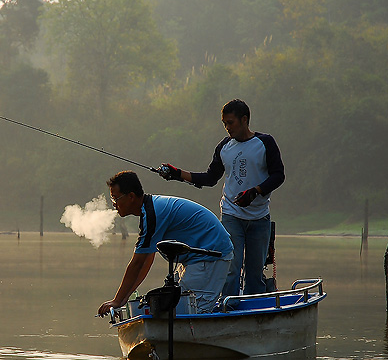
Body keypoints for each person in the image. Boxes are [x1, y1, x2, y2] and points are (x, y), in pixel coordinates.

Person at [158, 99, 284, 296]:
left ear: (244, 119)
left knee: (255, 272)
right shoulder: (224, 147)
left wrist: (255, 191)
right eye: (224, 123)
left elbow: (278, 175)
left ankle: (253, 310)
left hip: (259, 217)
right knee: (231, 267)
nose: (227, 128)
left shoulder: (265, 143)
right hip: (231, 215)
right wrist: (177, 174)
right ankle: (228, 306)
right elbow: (209, 178)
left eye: (231, 122)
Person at [97, 170, 233, 317]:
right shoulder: (149, 211)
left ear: (130, 196)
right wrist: (123, 299)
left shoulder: (152, 214)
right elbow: (146, 260)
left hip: (210, 257)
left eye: (116, 198)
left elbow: (137, 263)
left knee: (192, 312)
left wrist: (117, 301)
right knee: (177, 306)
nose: (114, 204)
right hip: (197, 260)